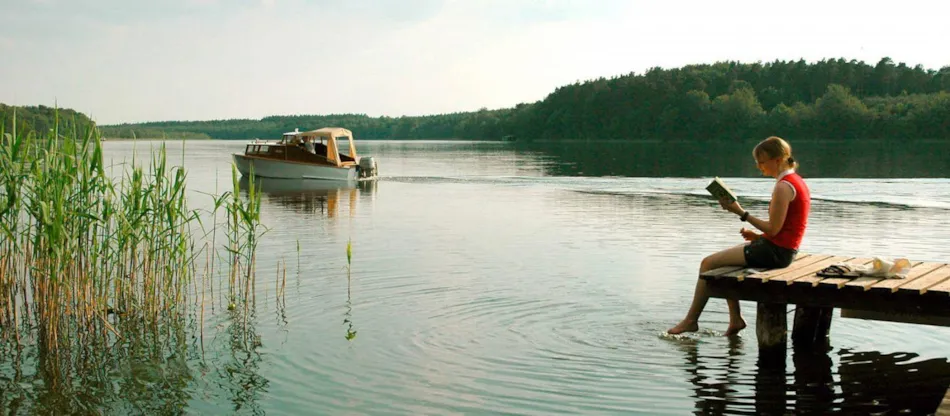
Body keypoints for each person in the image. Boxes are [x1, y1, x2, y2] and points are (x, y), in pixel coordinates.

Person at [667, 136, 810, 336]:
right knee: (724, 264)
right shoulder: (795, 181)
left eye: (762, 161)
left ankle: (691, 321)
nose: (759, 166)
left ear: (778, 160)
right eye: (757, 162)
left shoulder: (783, 186)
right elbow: (785, 229)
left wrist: (740, 212)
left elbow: (774, 229)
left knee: (708, 264)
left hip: (777, 253)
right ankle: (735, 320)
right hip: (781, 249)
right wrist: (758, 237)